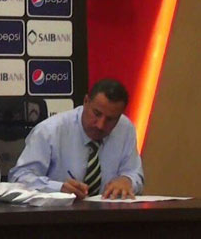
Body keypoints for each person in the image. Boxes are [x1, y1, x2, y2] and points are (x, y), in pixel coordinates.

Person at [9, 79, 144, 199]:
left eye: (110, 119)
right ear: (86, 101)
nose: (100, 125)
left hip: (109, 214)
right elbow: (19, 177)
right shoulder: (50, 131)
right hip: (56, 215)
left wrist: (127, 180)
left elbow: (135, 173)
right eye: (97, 114)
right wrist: (58, 188)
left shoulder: (125, 128)